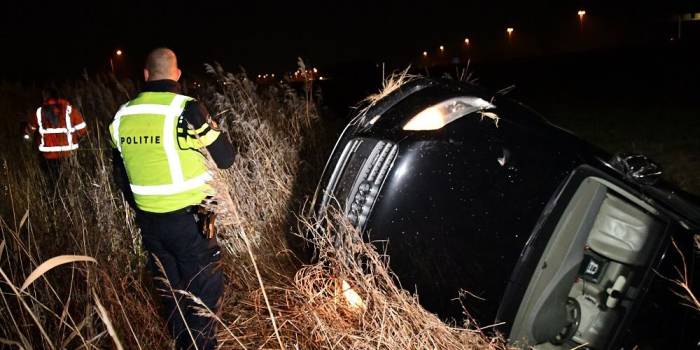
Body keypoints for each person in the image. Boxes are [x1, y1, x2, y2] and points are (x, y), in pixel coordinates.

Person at [108, 48, 235, 349]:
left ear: (145, 75)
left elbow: (120, 175)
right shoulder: (185, 109)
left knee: (174, 296)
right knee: (203, 295)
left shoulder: (121, 116)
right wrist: (204, 127)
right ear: (177, 75)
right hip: (189, 224)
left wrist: (142, 209)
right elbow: (226, 158)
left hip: (150, 225)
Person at [24, 88, 87, 188]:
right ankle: (69, 200)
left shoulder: (40, 112)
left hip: (49, 156)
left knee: (52, 182)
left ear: (45, 97)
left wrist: (27, 138)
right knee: (69, 183)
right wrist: (77, 137)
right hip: (68, 154)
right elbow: (82, 129)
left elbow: (30, 128)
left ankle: (53, 199)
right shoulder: (70, 110)